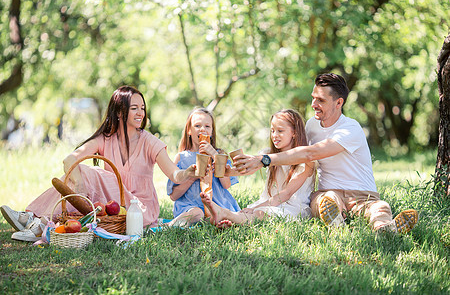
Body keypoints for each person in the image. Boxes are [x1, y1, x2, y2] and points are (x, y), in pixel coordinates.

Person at [1, 86, 197, 241]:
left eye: (142, 108)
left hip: (139, 209)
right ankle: (37, 221)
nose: (141, 113)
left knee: (95, 173)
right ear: (120, 112)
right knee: (76, 174)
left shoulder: (150, 142)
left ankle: (36, 221)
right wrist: (78, 187)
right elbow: (70, 159)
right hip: (111, 206)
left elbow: (174, 174)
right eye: (134, 108)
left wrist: (187, 173)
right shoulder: (105, 138)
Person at [233, 73, 418, 233]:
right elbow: (297, 154)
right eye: (314, 97)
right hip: (328, 193)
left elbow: (310, 154)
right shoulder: (311, 125)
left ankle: (385, 227)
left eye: (321, 100)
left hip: (360, 194)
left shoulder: (350, 128)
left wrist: (265, 160)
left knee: (378, 207)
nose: (314, 104)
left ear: (339, 103)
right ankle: (336, 225)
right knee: (323, 202)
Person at [201, 109, 315, 228]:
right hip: (269, 202)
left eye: (280, 131)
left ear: (294, 132)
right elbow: (248, 169)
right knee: (247, 212)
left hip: (293, 208)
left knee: (259, 213)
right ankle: (229, 220)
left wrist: (256, 208)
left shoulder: (306, 161)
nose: (274, 135)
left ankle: (225, 214)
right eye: (272, 131)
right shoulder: (269, 155)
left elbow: (286, 194)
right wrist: (227, 171)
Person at [166, 108, 240, 227]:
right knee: (197, 214)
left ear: (212, 132)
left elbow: (226, 184)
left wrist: (214, 154)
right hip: (190, 206)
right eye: (197, 125)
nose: (202, 129)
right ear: (189, 130)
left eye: (207, 126)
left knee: (219, 213)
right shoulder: (181, 157)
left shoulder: (219, 155)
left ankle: (217, 221)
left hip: (217, 204)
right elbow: (174, 196)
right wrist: (192, 177)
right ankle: (168, 226)